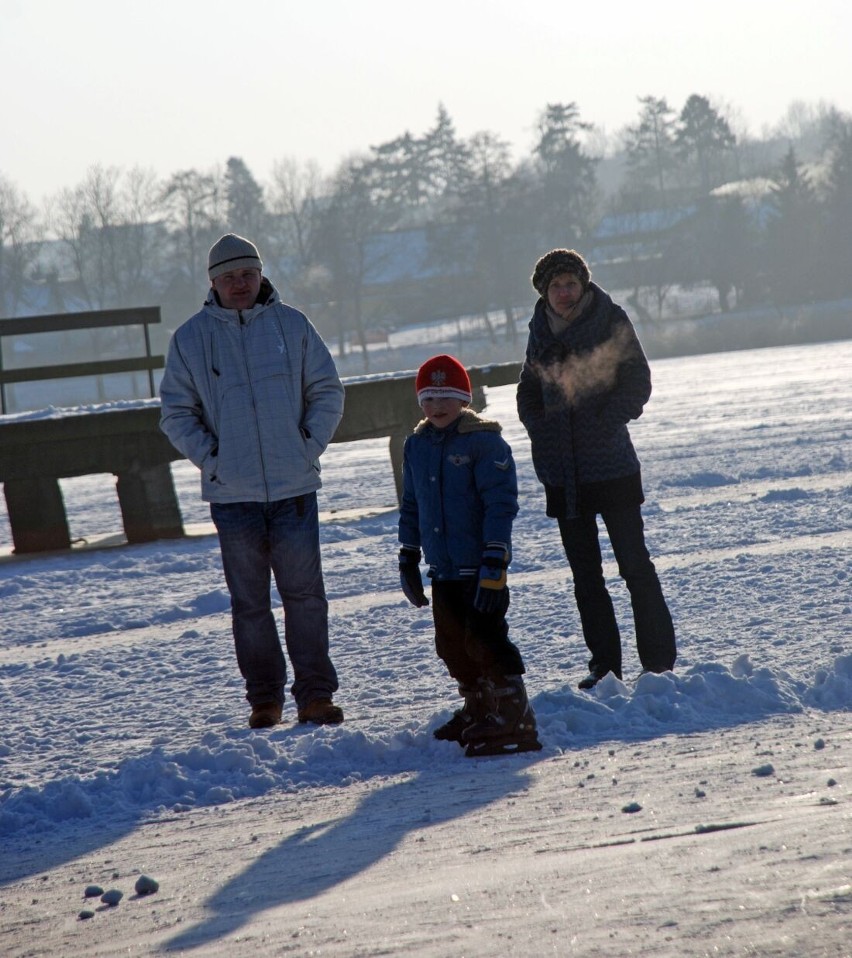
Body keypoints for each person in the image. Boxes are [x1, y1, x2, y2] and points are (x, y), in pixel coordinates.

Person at [159, 233, 346, 728]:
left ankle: (315, 695)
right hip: (233, 495)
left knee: (306, 598)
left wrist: (305, 446)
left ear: (261, 275)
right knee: (250, 605)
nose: (240, 284)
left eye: (247, 274)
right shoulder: (191, 339)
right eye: (229, 277)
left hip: (294, 489)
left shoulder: (294, 326)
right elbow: (176, 413)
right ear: (213, 283)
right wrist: (214, 460)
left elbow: (327, 390)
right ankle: (265, 698)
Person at [516, 248, 676, 690]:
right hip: (562, 474)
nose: (564, 292)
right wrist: (539, 428)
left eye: (571, 283)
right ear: (544, 291)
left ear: (583, 284)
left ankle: (658, 664)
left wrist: (607, 422)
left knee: (635, 567)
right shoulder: (538, 328)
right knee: (586, 578)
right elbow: (528, 388)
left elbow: (637, 381)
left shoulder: (610, 318)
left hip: (612, 466)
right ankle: (604, 666)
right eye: (555, 285)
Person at [398, 354, 541, 757]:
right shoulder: (417, 445)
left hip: (480, 568)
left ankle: (514, 714)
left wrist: (495, 561)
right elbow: (411, 504)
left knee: (486, 640)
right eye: (428, 398)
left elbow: (500, 504)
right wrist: (407, 554)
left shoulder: (485, 442)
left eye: (446, 397)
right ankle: (480, 706)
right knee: (451, 645)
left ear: (464, 399)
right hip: (442, 570)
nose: (437, 406)